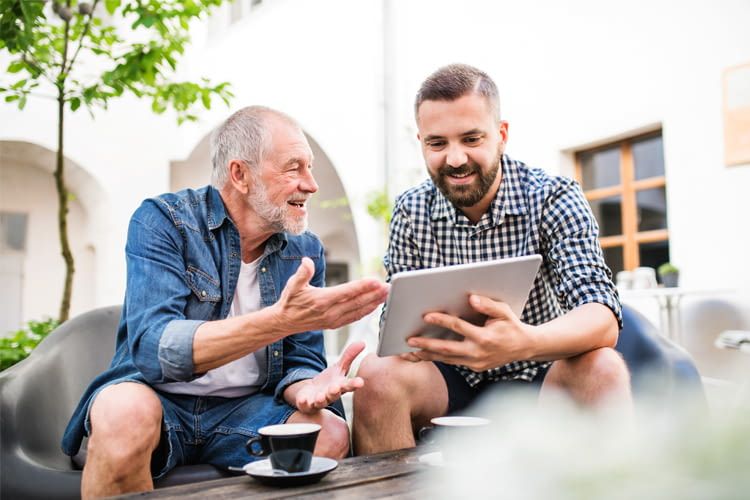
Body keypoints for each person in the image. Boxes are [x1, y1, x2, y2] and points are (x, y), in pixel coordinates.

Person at [61, 106, 389, 498]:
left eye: (310, 167)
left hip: (247, 411)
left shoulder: (305, 250)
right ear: (240, 175)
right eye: (294, 167)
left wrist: (304, 386)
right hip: (158, 399)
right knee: (122, 415)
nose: (311, 183)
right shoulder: (163, 221)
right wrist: (277, 321)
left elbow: (300, 358)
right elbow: (153, 347)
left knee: (326, 433)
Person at [353, 64, 632, 454]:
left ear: (501, 135)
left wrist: (523, 342)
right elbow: (396, 330)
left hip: (541, 372)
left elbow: (601, 316)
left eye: (471, 138)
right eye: (437, 144)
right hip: (450, 380)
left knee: (603, 367)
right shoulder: (410, 210)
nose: (454, 159)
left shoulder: (552, 196)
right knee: (377, 375)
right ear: (421, 143)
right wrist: (412, 341)